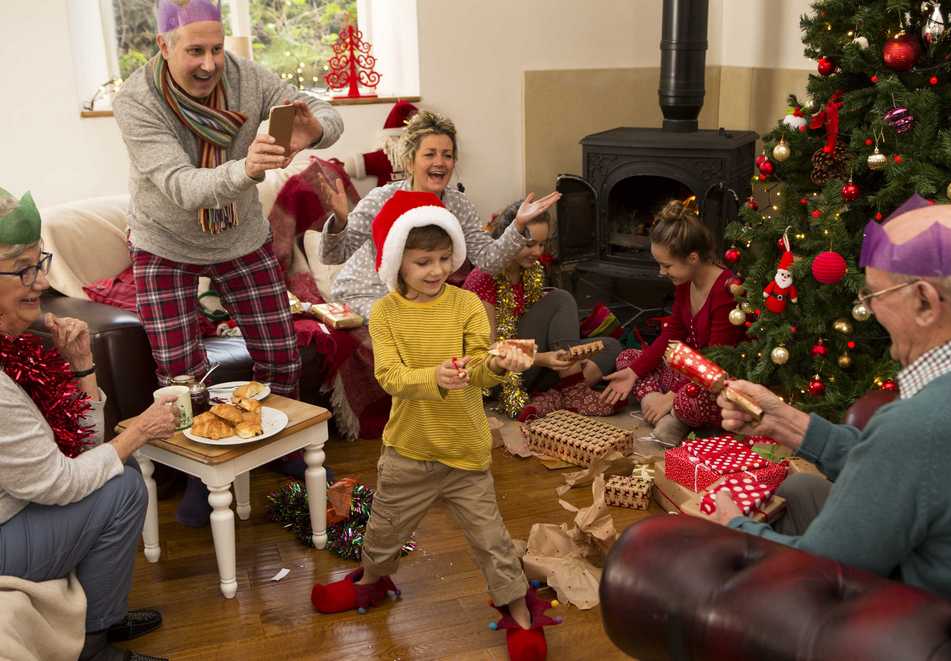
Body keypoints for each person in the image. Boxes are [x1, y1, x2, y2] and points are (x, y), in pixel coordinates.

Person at [708, 195, 951, 610]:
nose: (868, 307)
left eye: (874, 294)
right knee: (799, 488)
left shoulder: (920, 425)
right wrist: (788, 424)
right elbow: (916, 474)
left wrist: (730, 528)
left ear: (924, 301)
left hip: (929, 629)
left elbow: (821, 575)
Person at [113, 0, 343, 523]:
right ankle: (205, 470)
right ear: (164, 46)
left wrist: (312, 131)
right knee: (180, 375)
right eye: (195, 50)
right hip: (164, 241)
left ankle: (281, 450)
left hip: (241, 237)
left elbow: (322, 112)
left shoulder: (248, 78)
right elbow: (180, 185)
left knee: (281, 353)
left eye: (217, 48)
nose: (210, 63)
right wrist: (246, 169)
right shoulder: (136, 101)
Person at [311, 191, 559, 660]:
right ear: (398, 263)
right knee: (384, 529)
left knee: (492, 540)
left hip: (464, 448)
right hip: (409, 448)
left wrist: (500, 365)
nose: (437, 270)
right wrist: (436, 377)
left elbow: (481, 371)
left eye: (445, 259)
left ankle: (519, 612)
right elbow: (390, 377)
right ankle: (370, 582)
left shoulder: (465, 305)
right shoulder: (385, 313)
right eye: (424, 261)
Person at [0, 188, 179, 661]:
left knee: (115, 478)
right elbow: (63, 482)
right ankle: (94, 646)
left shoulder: (18, 346)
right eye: (22, 268)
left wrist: (81, 367)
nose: (39, 280)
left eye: (38, 262)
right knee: (122, 489)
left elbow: (77, 452)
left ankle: (102, 615)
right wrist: (138, 432)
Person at [318, 109, 560, 321]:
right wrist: (340, 220)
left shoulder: (458, 204)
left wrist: (517, 225)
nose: (440, 162)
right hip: (369, 292)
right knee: (416, 326)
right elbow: (332, 256)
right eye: (430, 154)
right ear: (410, 162)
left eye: (447, 154)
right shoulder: (381, 199)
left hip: (420, 294)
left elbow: (489, 261)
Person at [600, 199, 744, 445]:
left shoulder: (726, 290)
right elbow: (672, 335)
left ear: (693, 258)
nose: (661, 272)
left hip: (714, 379)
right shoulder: (685, 281)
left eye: (666, 265)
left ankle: (673, 413)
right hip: (687, 370)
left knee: (703, 399)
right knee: (628, 359)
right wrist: (634, 373)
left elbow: (716, 361)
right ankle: (658, 407)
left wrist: (673, 396)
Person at [463, 200, 623, 419]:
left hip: (535, 366)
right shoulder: (484, 277)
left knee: (611, 347)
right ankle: (572, 391)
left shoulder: (529, 271)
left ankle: (554, 396)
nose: (538, 252)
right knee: (560, 298)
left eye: (542, 244)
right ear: (510, 238)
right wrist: (544, 358)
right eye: (529, 244)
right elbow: (490, 350)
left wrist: (550, 357)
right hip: (502, 376)